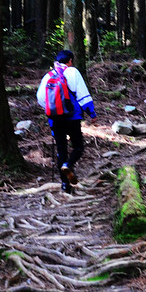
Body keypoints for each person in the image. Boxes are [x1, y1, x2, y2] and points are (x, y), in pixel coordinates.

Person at [37, 49, 97, 193]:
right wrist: (92, 113)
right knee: (78, 147)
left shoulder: (49, 76)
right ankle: (68, 165)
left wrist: (52, 111)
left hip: (55, 120)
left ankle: (65, 186)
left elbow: (40, 98)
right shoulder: (73, 72)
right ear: (70, 60)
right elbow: (83, 95)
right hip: (72, 117)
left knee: (61, 150)